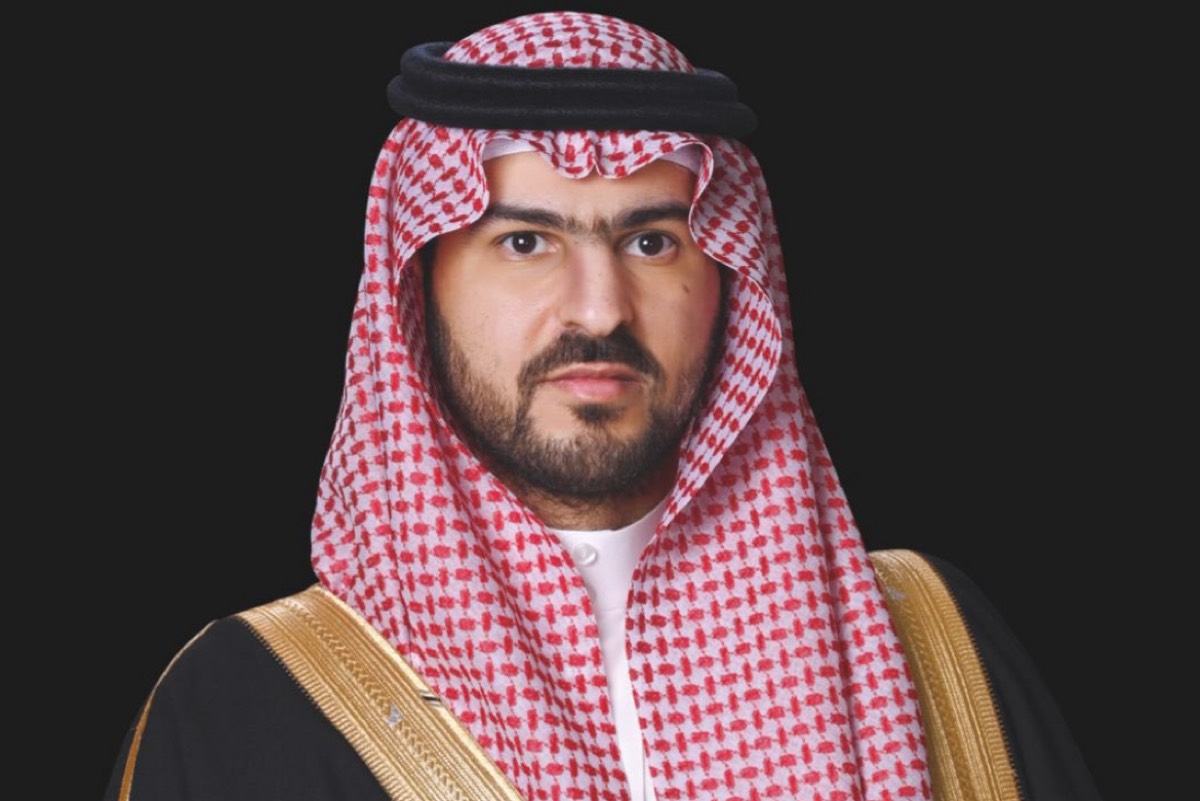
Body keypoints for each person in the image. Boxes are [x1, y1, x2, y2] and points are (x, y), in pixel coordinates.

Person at [105, 12, 1102, 801]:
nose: (598, 309)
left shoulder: (932, 645)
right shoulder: (249, 699)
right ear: (418, 287)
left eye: (652, 242)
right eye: (525, 242)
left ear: (728, 282)